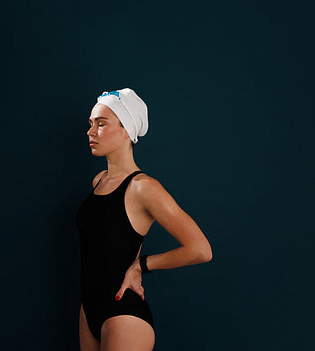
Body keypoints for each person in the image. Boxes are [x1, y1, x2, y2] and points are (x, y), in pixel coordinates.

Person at [76, 88, 212, 351]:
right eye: (91, 124)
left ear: (126, 130)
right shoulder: (98, 182)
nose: (90, 132)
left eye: (101, 124)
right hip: (88, 310)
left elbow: (200, 249)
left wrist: (141, 265)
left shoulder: (143, 188)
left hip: (124, 315)